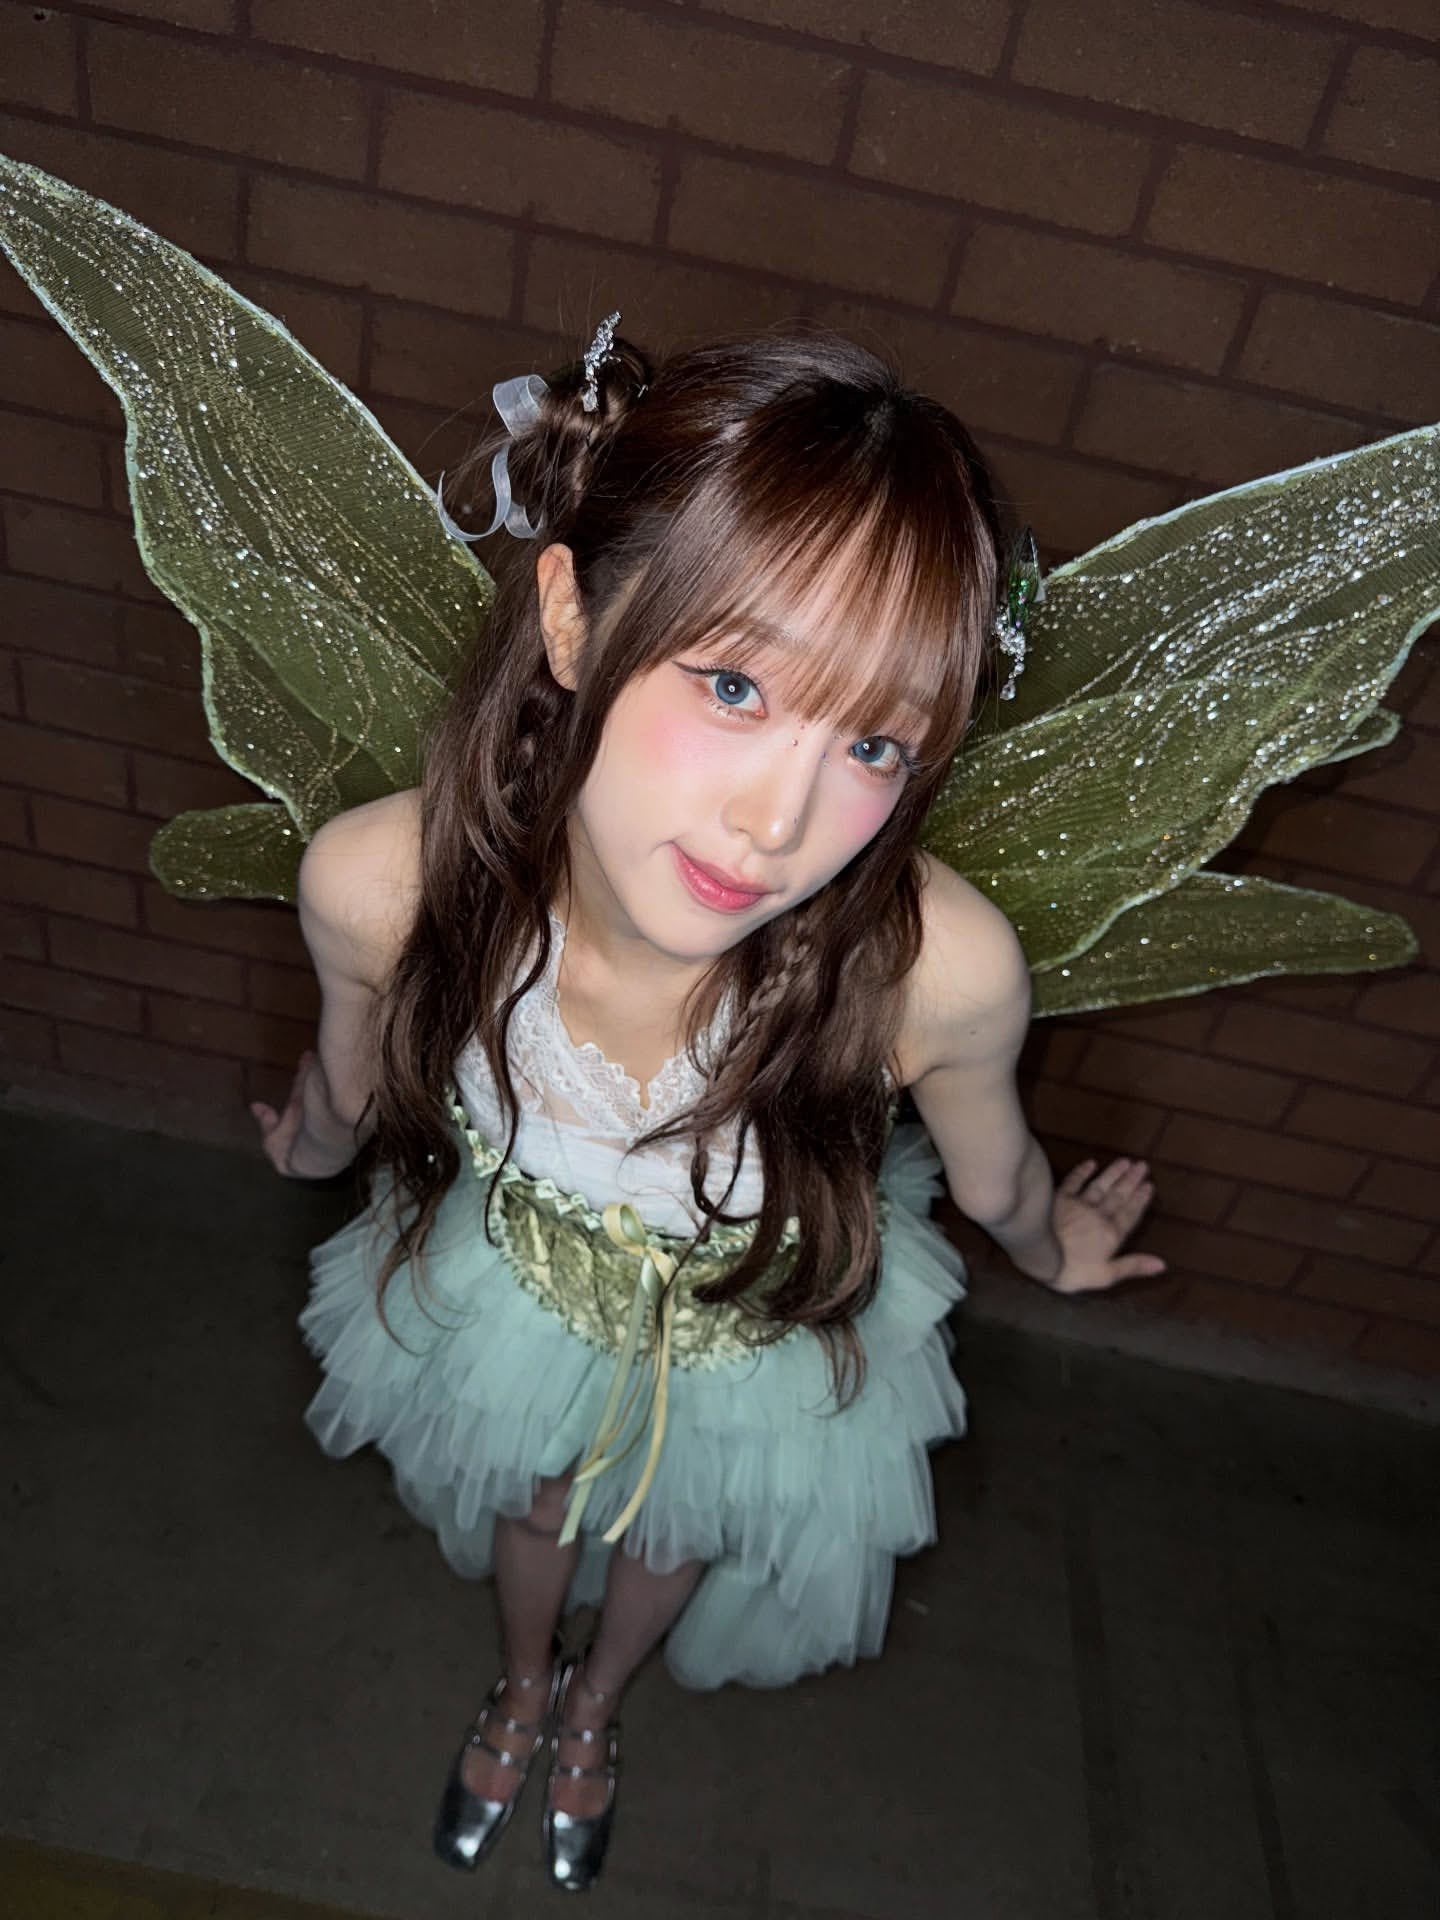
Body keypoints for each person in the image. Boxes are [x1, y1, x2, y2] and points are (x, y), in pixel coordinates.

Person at [248, 328, 1165, 1892]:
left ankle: (596, 1706)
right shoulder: (386, 882)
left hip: (753, 1332)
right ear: (571, 616)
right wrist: (311, 1148)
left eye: (872, 743)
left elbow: (996, 1175)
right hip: (526, 1297)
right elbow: (348, 1074)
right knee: (541, 1498)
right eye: (734, 685)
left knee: (677, 1524)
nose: (779, 823)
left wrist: (1051, 1245)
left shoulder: (935, 972)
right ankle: (524, 1683)